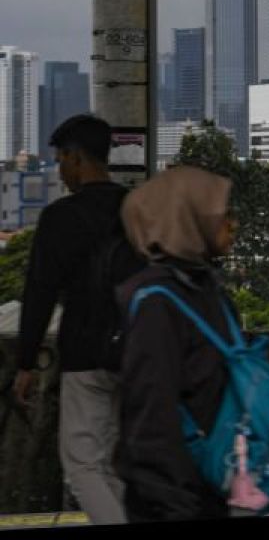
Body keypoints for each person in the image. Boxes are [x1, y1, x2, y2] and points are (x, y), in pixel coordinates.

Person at [13, 115, 130, 525]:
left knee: (82, 467)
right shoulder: (135, 207)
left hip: (84, 355)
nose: (60, 170)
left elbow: (39, 293)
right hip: (136, 354)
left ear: (76, 158)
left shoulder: (61, 217)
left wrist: (25, 362)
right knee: (113, 466)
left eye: (61, 160)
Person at [114, 166, 239, 522]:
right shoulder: (157, 300)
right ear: (187, 217)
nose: (234, 224)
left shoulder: (203, 286)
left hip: (208, 481)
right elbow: (151, 411)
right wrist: (174, 500)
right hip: (173, 496)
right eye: (223, 214)